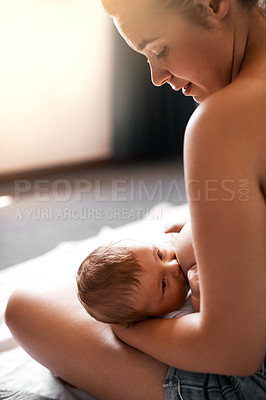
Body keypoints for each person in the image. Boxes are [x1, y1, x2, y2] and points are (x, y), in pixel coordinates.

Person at [5, 0, 266, 399]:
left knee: (27, 305)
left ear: (214, 4)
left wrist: (132, 329)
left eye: (159, 49)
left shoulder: (224, 121)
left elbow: (234, 353)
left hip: (247, 378)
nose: (157, 76)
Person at [76, 228, 199, 327]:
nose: (174, 265)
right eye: (163, 284)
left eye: (160, 255)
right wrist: (197, 296)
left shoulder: (160, 247)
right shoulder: (175, 317)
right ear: (150, 316)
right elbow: (206, 324)